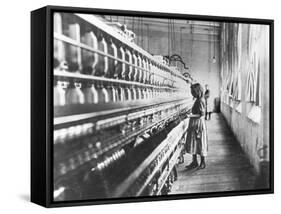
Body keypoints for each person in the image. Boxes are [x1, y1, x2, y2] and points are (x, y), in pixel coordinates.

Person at [185, 83, 208, 169]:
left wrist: (189, 116)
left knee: (200, 143)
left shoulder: (200, 100)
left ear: (197, 91)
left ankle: (202, 162)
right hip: (195, 124)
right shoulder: (198, 100)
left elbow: (201, 114)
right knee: (194, 142)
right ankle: (194, 161)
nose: (192, 93)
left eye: (193, 92)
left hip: (198, 124)